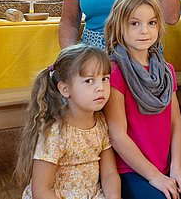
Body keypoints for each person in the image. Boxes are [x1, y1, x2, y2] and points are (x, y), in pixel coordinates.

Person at [102, 0, 181, 199]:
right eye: (134, 23)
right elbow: (117, 136)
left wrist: (177, 168)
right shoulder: (115, 72)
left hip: (165, 167)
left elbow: (176, 123)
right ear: (118, 25)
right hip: (130, 171)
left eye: (151, 23)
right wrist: (154, 177)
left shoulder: (166, 70)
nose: (144, 31)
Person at [16, 44, 119, 198]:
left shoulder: (101, 123)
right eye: (89, 81)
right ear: (65, 89)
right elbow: (41, 190)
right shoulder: (55, 132)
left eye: (105, 79)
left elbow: (109, 174)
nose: (101, 87)